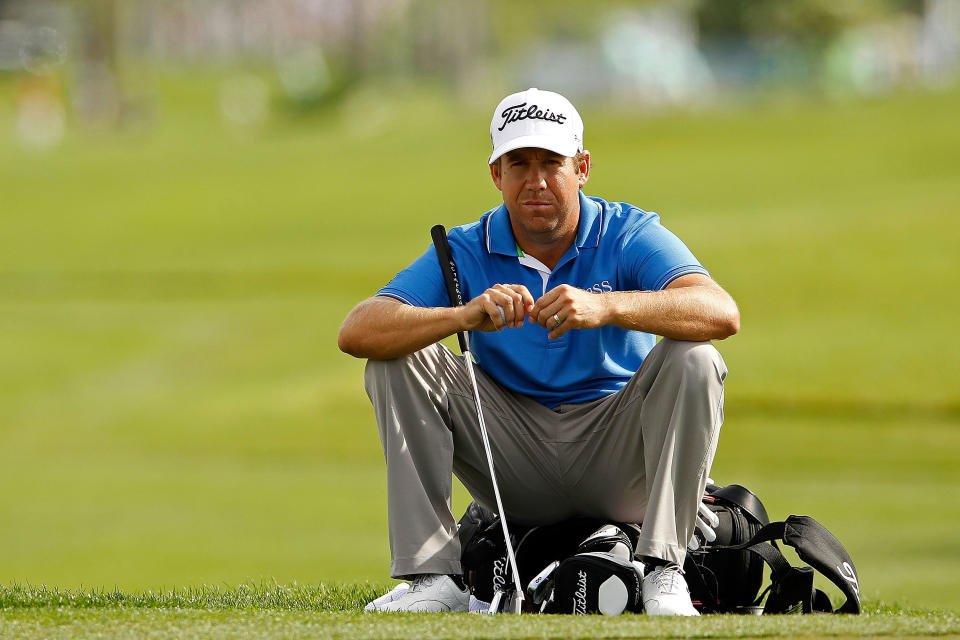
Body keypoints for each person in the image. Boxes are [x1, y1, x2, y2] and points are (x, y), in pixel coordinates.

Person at [338, 88, 739, 615]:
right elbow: (358, 329)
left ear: (582, 167)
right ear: (495, 174)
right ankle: (432, 578)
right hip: (512, 463)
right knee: (399, 356)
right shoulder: (466, 246)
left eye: (552, 163)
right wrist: (461, 316)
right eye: (518, 164)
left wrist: (608, 307)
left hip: (617, 453)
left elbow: (720, 312)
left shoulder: (627, 232)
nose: (536, 181)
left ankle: (665, 571)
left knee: (696, 358)